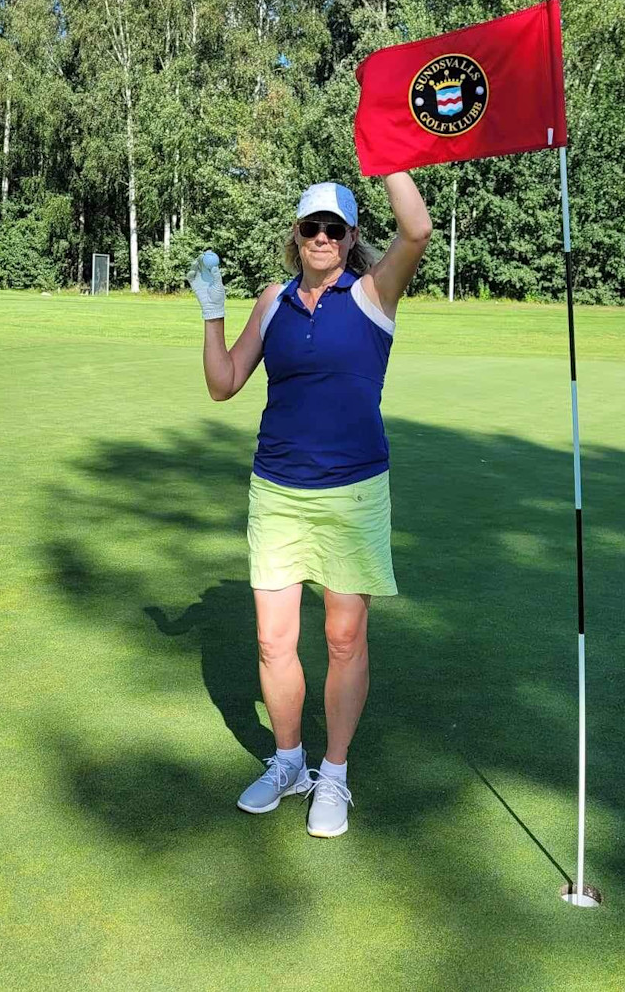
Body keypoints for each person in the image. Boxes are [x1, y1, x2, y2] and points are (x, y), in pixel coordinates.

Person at [189, 172, 432, 837]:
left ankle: (335, 773)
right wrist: (213, 311)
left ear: (352, 237)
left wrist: (388, 161)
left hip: (353, 493)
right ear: (295, 237)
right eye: (310, 227)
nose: (321, 237)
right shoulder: (273, 300)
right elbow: (224, 383)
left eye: (334, 228)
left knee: (344, 637)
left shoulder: (374, 293)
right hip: (277, 491)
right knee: (273, 640)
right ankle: (289, 760)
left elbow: (417, 230)